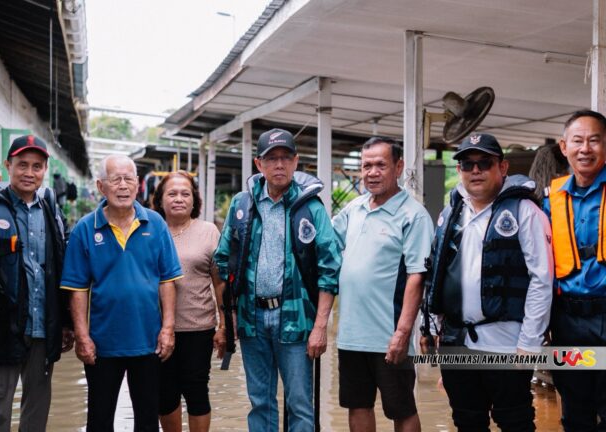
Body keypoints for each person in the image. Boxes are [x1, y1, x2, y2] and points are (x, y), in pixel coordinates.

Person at [421, 133, 552, 431]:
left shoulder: (524, 212)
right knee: (466, 420)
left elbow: (541, 279)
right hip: (456, 342)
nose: (475, 170)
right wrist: (429, 326)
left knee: (514, 420)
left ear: (502, 168)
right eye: (468, 164)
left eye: (484, 163)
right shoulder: (451, 213)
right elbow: (438, 272)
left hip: (507, 343)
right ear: (460, 171)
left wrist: (529, 345)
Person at [214, 128, 340, 431]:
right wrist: (226, 320)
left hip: (296, 319)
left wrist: (320, 327)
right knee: (260, 402)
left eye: (285, 158)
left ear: (296, 162)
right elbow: (221, 262)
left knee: (299, 404)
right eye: (272, 159)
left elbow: (330, 270)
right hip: (251, 319)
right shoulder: (242, 205)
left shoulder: (311, 207)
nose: (279, 165)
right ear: (259, 164)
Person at [61, 154, 182, 432]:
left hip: (148, 342)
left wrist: (168, 329)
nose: (123, 186)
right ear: (101, 186)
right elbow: (78, 290)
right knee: (99, 421)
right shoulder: (84, 230)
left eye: (129, 179)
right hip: (102, 345)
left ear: (139, 185)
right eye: (116, 179)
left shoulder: (155, 224)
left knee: (148, 421)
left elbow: (167, 281)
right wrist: (82, 337)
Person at [0, 135, 72, 432]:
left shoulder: (51, 211)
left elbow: (59, 270)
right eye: (22, 165)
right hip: (2, 328)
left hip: (42, 327)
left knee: (36, 412)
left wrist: (64, 322)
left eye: (37, 166)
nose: (29, 172)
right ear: (8, 165)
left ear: (45, 169)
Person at [332, 137, 432, 432]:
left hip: (388, 334)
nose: (372, 172)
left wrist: (402, 333)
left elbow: (417, 276)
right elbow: (325, 245)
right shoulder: (354, 208)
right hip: (350, 334)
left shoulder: (413, 215)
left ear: (398, 167)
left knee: (401, 408)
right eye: (366, 166)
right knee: (357, 404)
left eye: (380, 165)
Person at [545, 110, 606, 431]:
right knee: (575, 410)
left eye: (594, 141)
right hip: (568, 321)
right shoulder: (547, 201)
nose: (586, 149)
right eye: (578, 141)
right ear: (563, 146)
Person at [151, 171, 226, 432]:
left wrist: (224, 325)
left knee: (196, 389)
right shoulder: (149, 231)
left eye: (186, 194)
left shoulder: (208, 232)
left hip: (198, 327)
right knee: (164, 393)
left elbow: (219, 282)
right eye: (172, 194)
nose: (179, 199)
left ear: (195, 201)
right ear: (160, 200)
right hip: (156, 329)